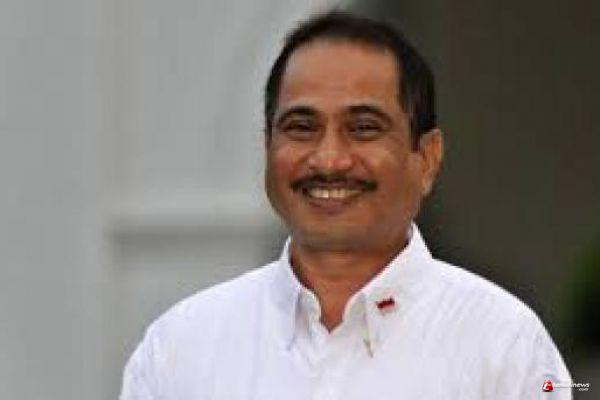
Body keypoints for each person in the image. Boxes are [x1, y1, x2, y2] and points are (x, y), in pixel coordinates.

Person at [120, 11, 571, 400]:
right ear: (267, 147)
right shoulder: (180, 348)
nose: (330, 160)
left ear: (427, 158)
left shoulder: (504, 345)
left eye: (363, 128)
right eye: (302, 127)